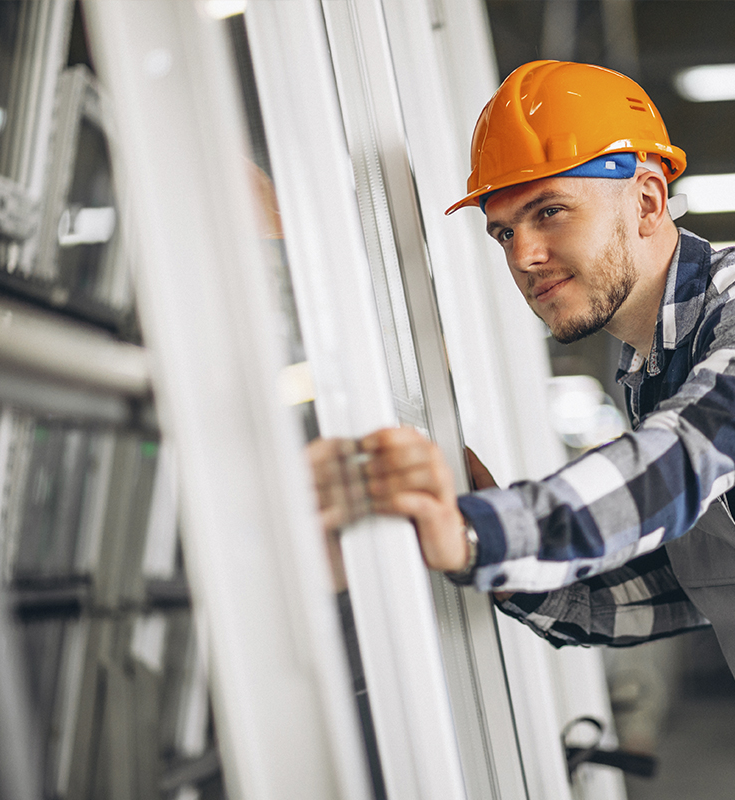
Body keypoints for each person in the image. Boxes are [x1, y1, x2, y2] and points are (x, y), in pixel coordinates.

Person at [313, 60, 735, 676]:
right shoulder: (653, 369)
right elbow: (694, 587)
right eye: (504, 233)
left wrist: (485, 532)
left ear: (647, 201)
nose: (525, 256)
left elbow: (692, 452)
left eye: (550, 211)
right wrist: (491, 557)